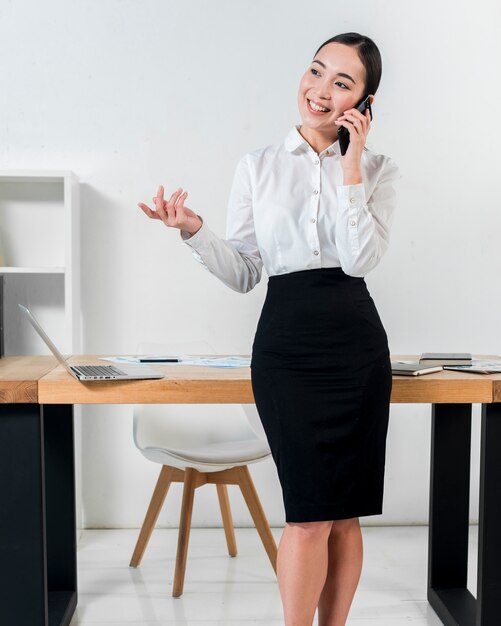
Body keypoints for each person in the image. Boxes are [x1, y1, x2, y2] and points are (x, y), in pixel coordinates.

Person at [139, 32, 398, 626]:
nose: (321, 90)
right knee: (308, 515)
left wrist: (351, 165)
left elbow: (359, 261)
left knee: (344, 513)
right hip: (286, 347)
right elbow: (246, 273)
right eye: (316, 72)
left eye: (342, 82)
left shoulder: (379, 171)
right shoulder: (257, 166)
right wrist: (194, 229)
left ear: (365, 103)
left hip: (355, 345)